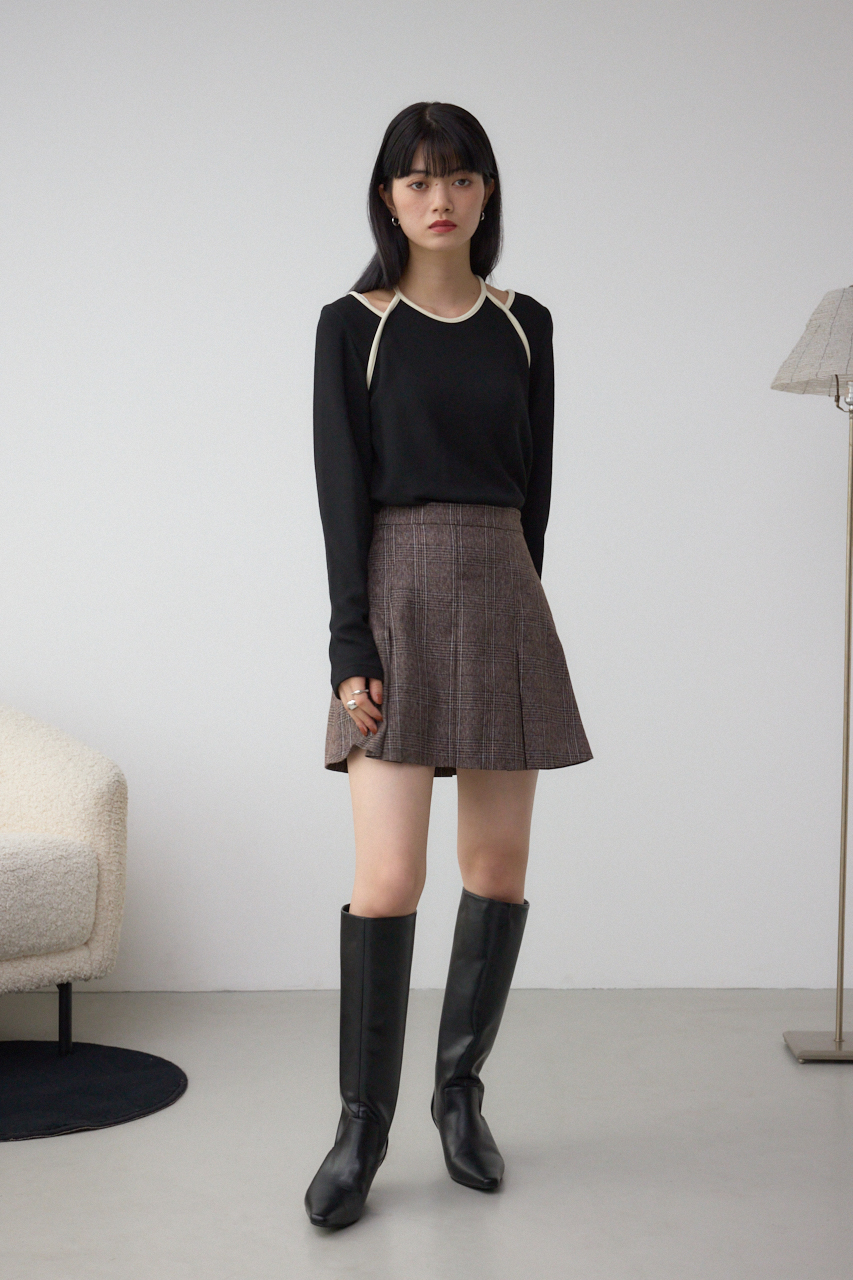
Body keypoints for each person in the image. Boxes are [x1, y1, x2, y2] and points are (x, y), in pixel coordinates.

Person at [305, 101, 593, 1229]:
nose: (441, 198)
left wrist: (520, 609)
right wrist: (350, 646)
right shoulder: (352, 325)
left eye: (461, 178)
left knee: (497, 868)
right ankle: (360, 1127)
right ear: (388, 196)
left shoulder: (525, 325)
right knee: (388, 880)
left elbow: (538, 494)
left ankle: (458, 1096)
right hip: (395, 596)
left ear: (486, 193)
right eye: (419, 180)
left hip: (502, 587)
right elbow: (339, 494)